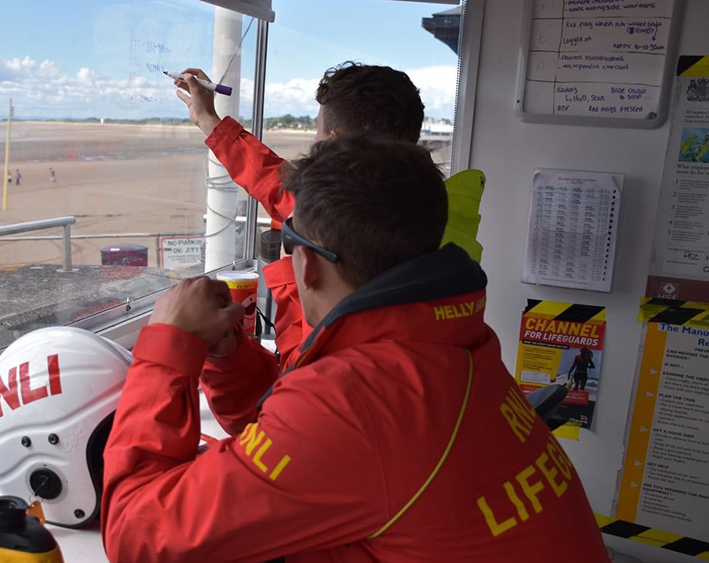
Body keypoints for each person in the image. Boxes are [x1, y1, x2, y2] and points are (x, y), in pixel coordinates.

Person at [101, 137, 609, 563]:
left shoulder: (360, 399)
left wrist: (168, 346)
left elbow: (135, 536)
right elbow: (301, 443)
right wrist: (230, 359)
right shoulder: (452, 342)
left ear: (309, 266)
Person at [174, 62, 482, 371]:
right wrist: (210, 120)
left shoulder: (334, 216)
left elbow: (274, 182)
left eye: (318, 134)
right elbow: (276, 180)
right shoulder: (423, 209)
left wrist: (208, 118)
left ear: (333, 143)